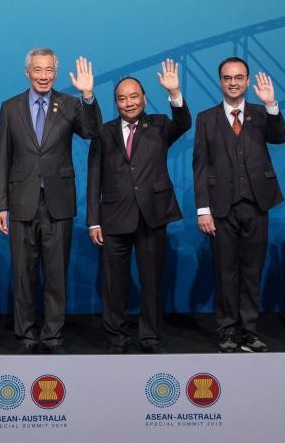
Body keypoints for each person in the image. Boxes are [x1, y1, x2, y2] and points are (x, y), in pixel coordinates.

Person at [0, 47, 101, 354]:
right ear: (27, 72)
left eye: (49, 71)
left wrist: (89, 96)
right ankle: (26, 332)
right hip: (21, 202)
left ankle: (53, 332)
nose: (44, 76)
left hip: (58, 202)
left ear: (56, 72)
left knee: (56, 273)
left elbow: (92, 131)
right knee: (24, 275)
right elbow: (3, 157)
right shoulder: (10, 107)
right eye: (38, 70)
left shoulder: (69, 104)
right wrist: (1, 204)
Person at [86, 60, 190, 354]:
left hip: (152, 215)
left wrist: (175, 93)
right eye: (122, 98)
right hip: (114, 217)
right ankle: (117, 337)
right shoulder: (103, 133)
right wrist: (94, 220)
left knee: (152, 282)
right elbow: (94, 178)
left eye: (134, 96)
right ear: (116, 102)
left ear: (144, 98)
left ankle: (150, 337)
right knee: (114, 285)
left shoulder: (159, 125)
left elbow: (183, 123)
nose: (129, 102)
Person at [192, 57, 285, 353]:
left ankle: (249, 331)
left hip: (257, 204)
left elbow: (280, 137)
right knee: (225, 272)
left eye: (239, 77)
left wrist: (272, 104)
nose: (233, 82)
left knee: (251, 270)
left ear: (247, 81)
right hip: (221, 208)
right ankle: (228, 331)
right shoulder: (206, 118)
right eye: (227, 77)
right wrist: (203, 209)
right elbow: (200, 166)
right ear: (220, 82)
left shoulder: (261, 114)